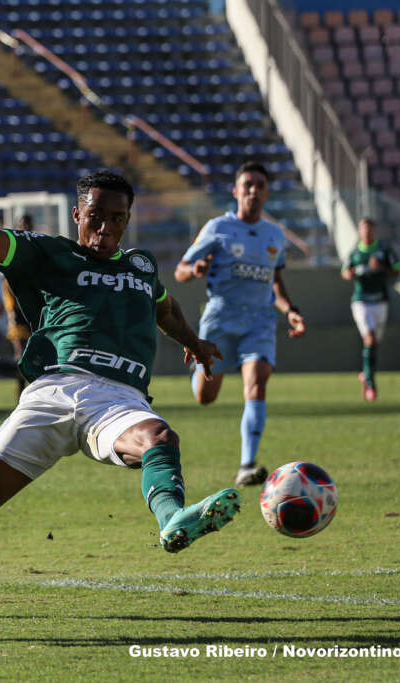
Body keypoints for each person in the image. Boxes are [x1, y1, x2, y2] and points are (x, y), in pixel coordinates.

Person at [0, 150, 241, 613]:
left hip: (118, 398)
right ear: (77, 215)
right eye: (96, 217)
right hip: (53, 390)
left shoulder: (142, 267)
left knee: (159, 436)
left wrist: (194, 341)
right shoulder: (50, 253)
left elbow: (164, 308)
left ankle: (173, 519)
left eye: (117, 219)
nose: (106, 228)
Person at [174, 161, 306, 487]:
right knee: (206, 397)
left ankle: (247, 465)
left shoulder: (275, 235)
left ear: (267, 192)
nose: (253, 190)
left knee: (257, 383)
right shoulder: (218, 228)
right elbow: (180, 270)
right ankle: (199, 375)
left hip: (259, 321)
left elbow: (275, 281)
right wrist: (195, 270)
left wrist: (289, 309)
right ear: (236, 191)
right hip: (220, 318)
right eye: (247, 184)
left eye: (260, 185)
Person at [341, 217, 400, 401]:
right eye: (363, 229)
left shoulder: (383, 250)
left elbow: (397, 270)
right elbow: (344, 271)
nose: (367, 232)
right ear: (359, 231)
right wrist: (349, 274)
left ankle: (365, 375)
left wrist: (381, 268)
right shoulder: (355, 252)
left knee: (374, 344)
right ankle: (372, 384)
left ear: (374, 231)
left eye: (370, 228)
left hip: (380, 301)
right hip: (361, 302)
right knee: (370, 339)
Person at [0, 264, 31, 394]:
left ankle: (33, 390)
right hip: (16, 308)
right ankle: (22, 391)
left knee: (35, 352)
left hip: (33, 303)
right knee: (21, 353)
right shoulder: (6, 247)